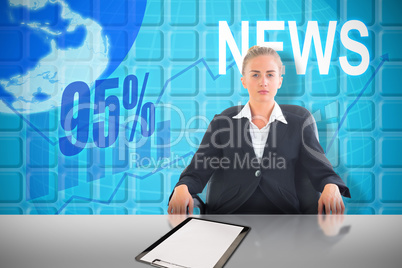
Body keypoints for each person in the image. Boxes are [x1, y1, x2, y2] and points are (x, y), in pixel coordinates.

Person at [168, 46, 350, 215]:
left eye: (270, 75)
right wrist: (182, 188)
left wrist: (331, 186)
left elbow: (323, 171)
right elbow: (196, 172)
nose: (263, 82)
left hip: (283, 218)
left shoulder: (299, 123)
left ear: (279, 81)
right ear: (244, 81)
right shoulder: (222, 123)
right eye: (255, 75)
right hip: (229, 217)